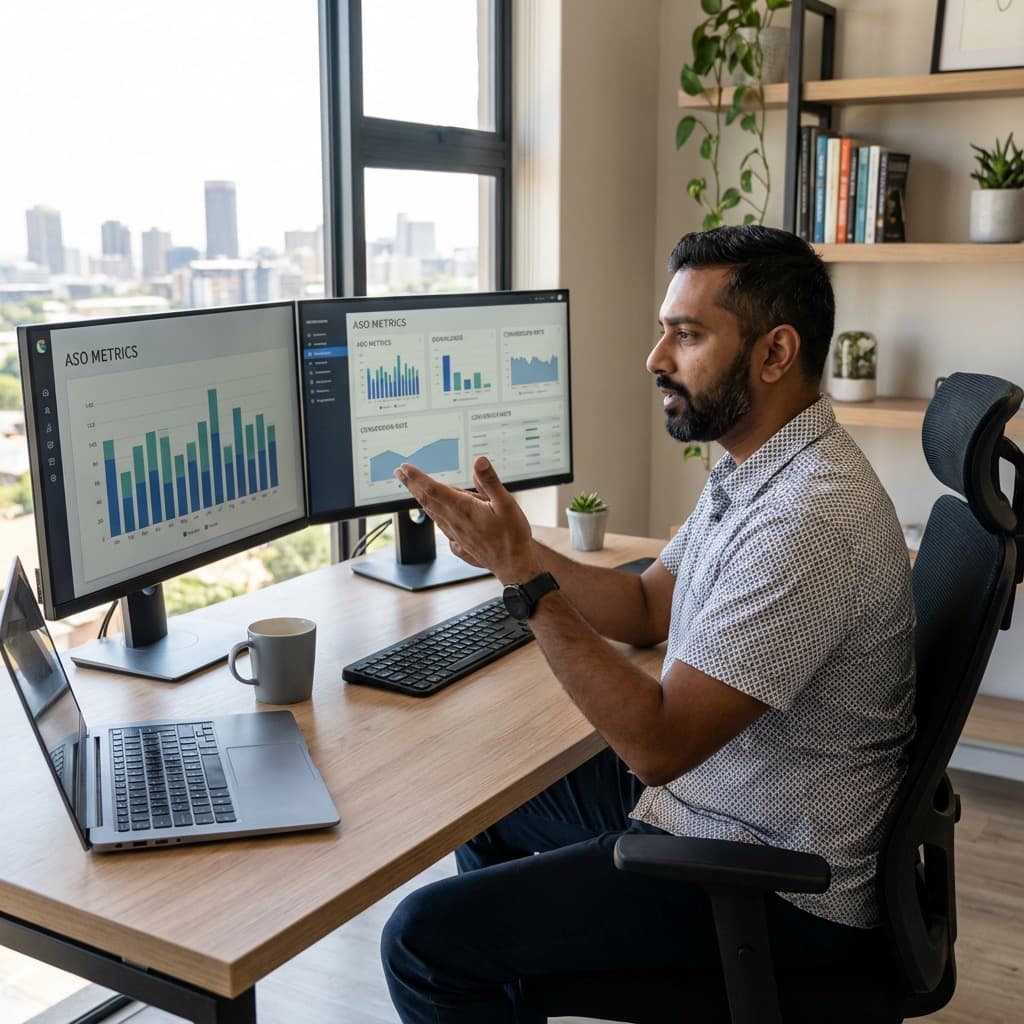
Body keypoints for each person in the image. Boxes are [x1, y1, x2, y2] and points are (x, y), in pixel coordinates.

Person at [380, 225, 916, 1024]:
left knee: (422, 940)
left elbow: (658, 746)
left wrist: (528, 584)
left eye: (688, 334)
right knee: (488, 806)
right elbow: (646, 606)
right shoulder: (757, 465)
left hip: (772, 882)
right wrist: (519, 551)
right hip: (724, 803)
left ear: (774, 355)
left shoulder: (810, 520)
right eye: (666, 328)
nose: (655, 357)